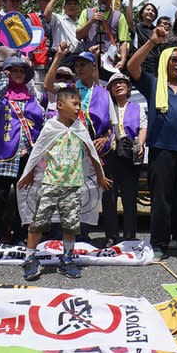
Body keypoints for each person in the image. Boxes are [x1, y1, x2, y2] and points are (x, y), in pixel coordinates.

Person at [126, 25, 177, 263]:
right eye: (173, 60)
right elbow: (131, 67)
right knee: (161, 200)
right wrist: (152, 42)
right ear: (165, 63)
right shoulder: (153, 84)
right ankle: (159, 245)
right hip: (161, 150)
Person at [17, 87, 112, 280]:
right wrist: (29, 172)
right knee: (38, 223)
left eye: (79, 104)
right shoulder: (51, 127)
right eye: (74, 104)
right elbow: (38, 151)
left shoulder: (80, 128)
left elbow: (92, 153)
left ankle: (67, 259)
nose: (78, 108)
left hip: (73, 187)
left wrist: (100, 176)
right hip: (50, 184)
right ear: (60, 105)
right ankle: (29, 258)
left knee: (70, 226)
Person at [44, 43, 112, 243]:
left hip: (90, 151)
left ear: (94, 67)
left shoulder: (104, 93)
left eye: (84, 64)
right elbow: (47, 86)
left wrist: (106, 138)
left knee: (85, 193)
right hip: (67, 149)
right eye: (77, 65)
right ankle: (58, 236)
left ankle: (81, 235)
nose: (80, 68)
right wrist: (58, 57)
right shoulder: (69, 89)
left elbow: (112, 125)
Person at [0, 54, 46, 245]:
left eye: (21, 71)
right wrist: (2, 82)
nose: (18, 74)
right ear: (6, 73)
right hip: (2, 154)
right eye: (13, 71)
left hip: (26, 155)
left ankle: (19, 236)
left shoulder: (31, 99)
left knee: (24, 199)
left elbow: (38, 125)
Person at [101, 71, 146, 245]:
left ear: (128, 88)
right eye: (114, 84)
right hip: (110, 155)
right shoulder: (106, 107)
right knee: (109, 197)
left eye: (122, 83)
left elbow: (143, 127)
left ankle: (129, 234)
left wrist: (140, 144)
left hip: (129, 154)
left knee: (129, 196)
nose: (118, 86)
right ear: (110, 89)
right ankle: (111, 236)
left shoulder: (137, 107)